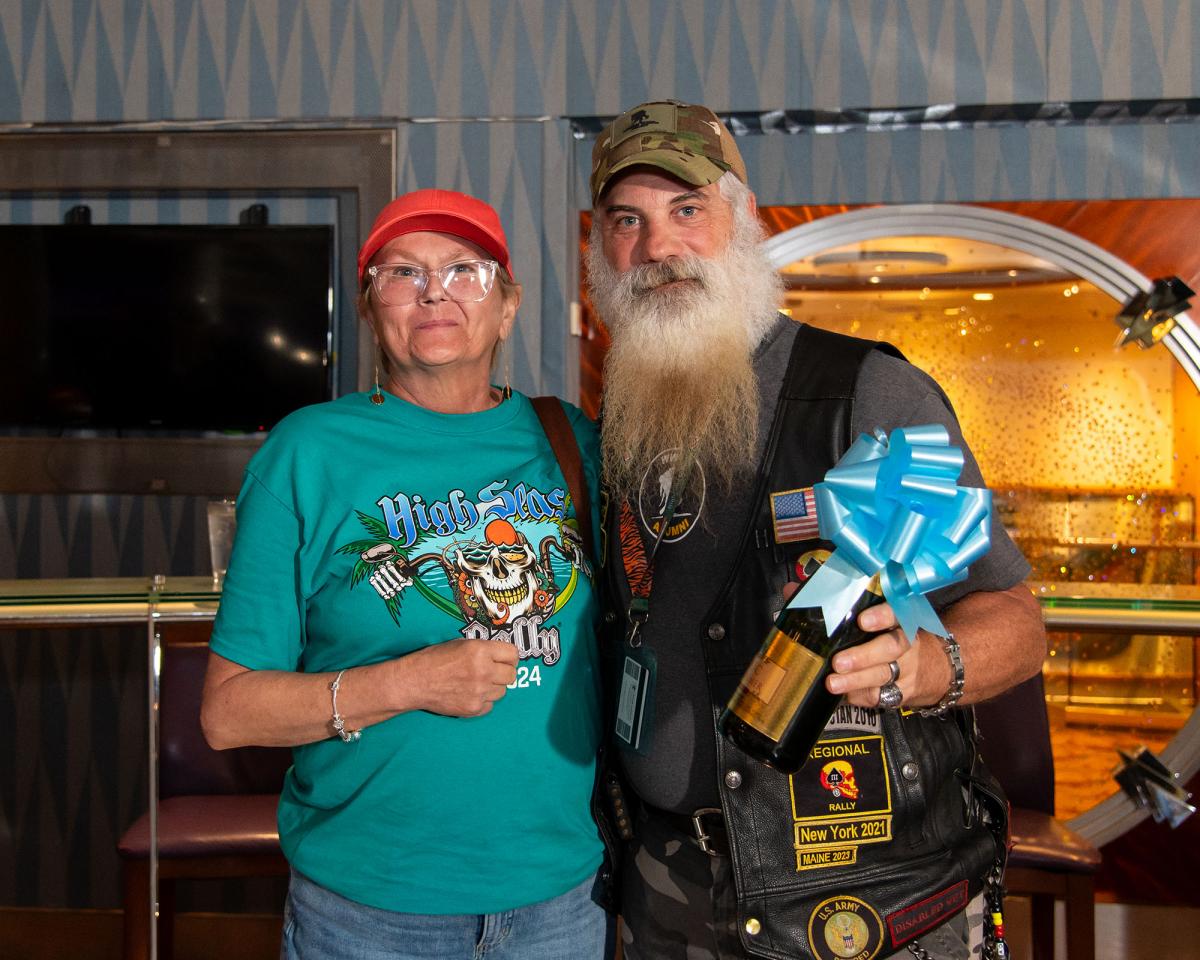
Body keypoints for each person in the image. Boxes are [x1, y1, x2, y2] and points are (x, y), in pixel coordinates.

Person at [585, 100, 1047, 960]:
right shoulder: (624, 415)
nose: (657, 248)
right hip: (667, 893)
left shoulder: (868, 392)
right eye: (626, 221)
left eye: (687, 209)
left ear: (742, 220)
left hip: (859, 900)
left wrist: (927, 667)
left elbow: (1016, 619)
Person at [200, 188, 612, 960]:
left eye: (464, 270)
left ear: (508, 306)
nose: (433, 292)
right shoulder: (307, 454)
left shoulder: (574, 442)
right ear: (370, 308)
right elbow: (229, 713)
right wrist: (408, 682)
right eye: (402, 273)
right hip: (368, 910)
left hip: (560, 901)